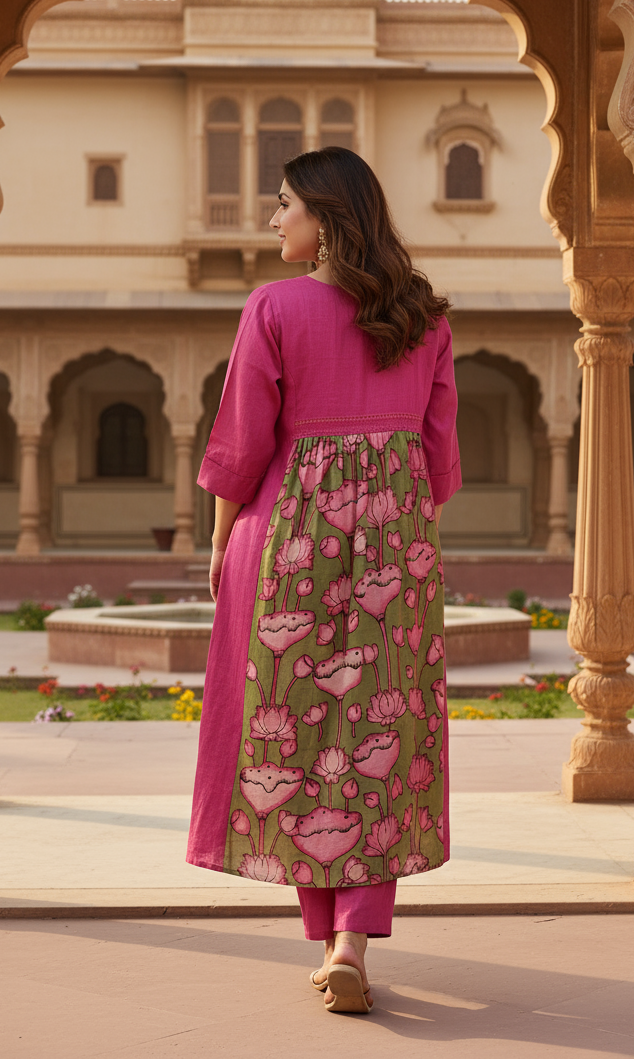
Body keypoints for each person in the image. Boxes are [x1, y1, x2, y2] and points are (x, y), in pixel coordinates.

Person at [187, 147, 461, 1014]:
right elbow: (441, 459)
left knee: (290, 726)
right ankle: (350, 938)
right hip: (396, 543)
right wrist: (403, 533)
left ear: (326, 218)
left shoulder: (273, 306)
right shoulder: (423, 316)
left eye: (284, 207)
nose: (274, 221)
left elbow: (243, 442)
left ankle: (332, 934)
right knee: (383, 728)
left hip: (289, 544)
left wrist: (223, 541)